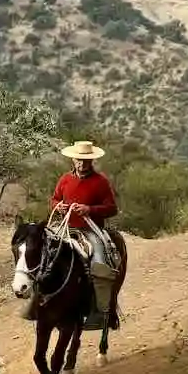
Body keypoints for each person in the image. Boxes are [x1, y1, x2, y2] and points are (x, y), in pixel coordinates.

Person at [50, 140, 122, 328]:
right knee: (43, 255)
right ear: (73, 160)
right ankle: (38, 304)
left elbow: (112, 208)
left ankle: (102, 310)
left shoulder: (101, 182)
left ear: (92, 161)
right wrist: (59, 207)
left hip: (91, 230)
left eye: (86, 161)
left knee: (99, 262)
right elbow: (55, 199)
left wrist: (89, 209)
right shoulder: (65, 179)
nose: (82, 164)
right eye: (79, 160)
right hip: (65, 228)